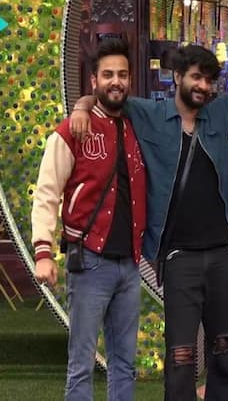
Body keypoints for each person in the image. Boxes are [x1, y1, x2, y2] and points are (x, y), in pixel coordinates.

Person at [70, 12, 228, 400]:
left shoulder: (223, 111)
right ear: (178, 77)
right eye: (196, 77)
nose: (203, 86)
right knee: (181, 353)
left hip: (225, 251)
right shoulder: (149, 114)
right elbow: (107, 95)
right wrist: (82, 107)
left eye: (209, 80)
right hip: (178, 256)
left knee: (224, 347)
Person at [32, 38, 146, 401]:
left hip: (130, 264)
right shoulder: (73, 130)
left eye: (122, 75)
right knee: (81, 364)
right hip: (90, 263)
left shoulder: (137, 125)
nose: (116, 81)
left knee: (124, 364)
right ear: (94, 80)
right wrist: (43, 252)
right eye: (108, 74)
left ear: (130, 80)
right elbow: (47, 192)